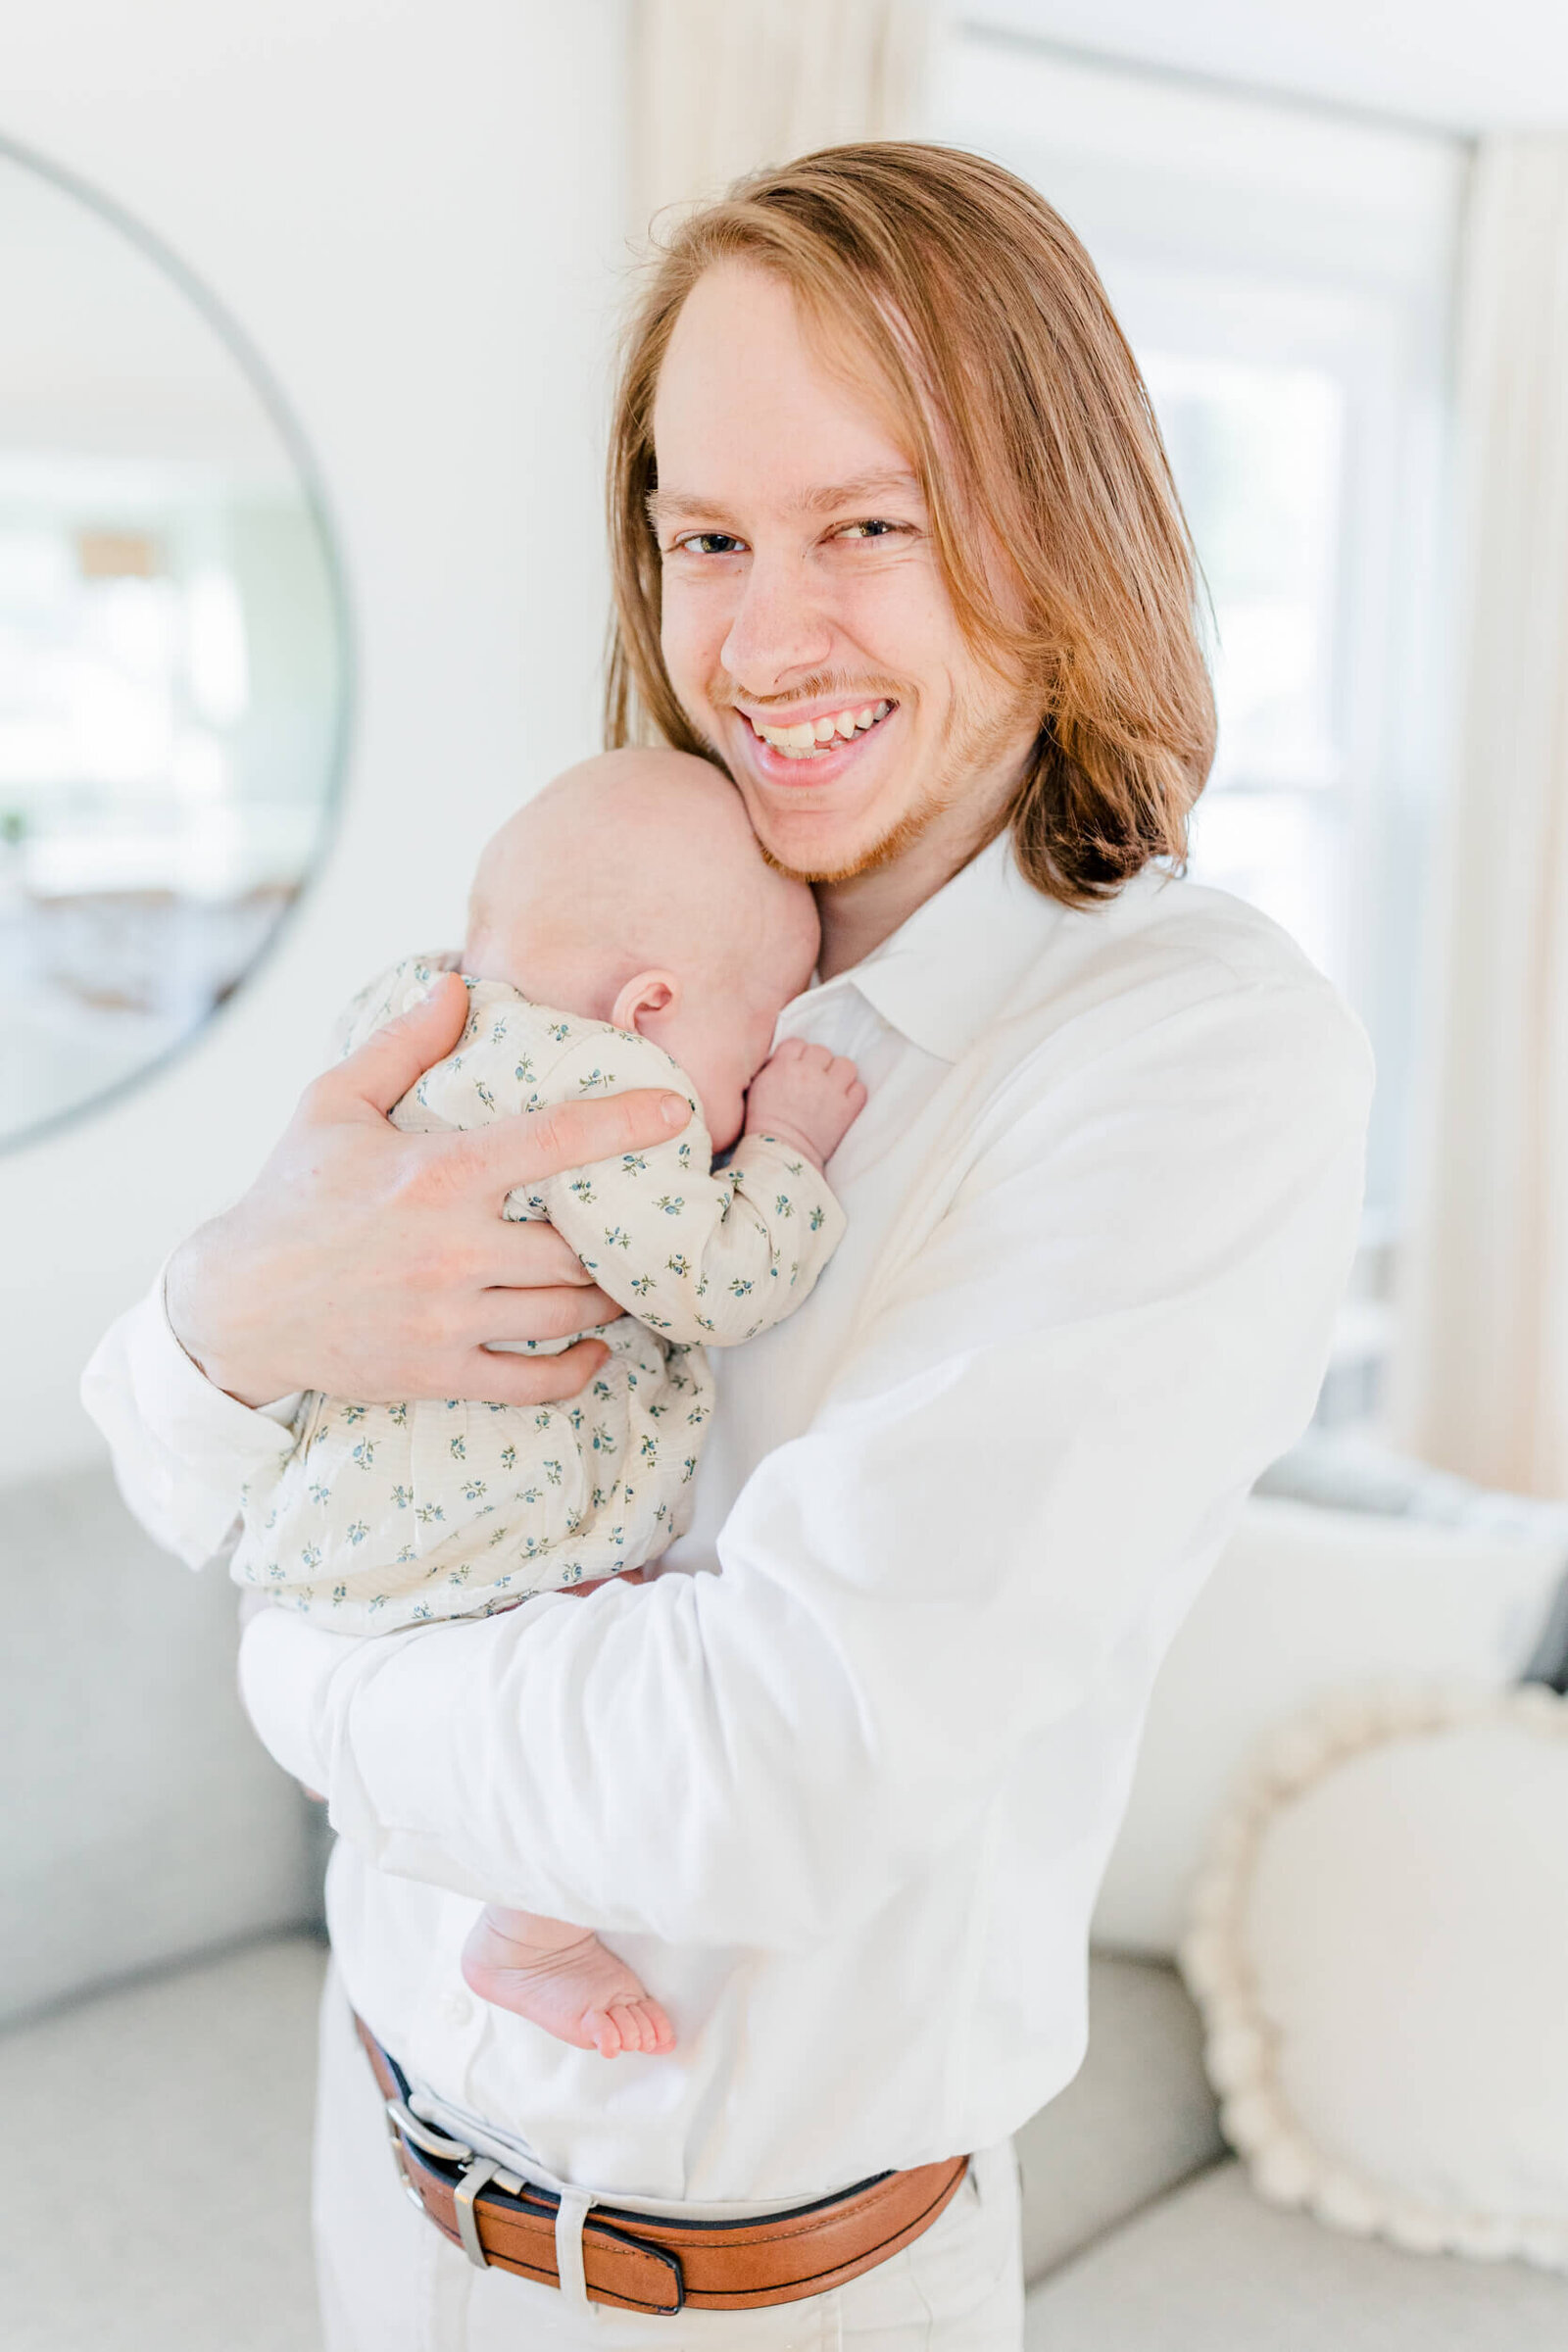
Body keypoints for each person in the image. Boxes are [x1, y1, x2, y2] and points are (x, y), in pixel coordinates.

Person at [82, 144, 1372, 2350]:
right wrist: (233, 1312)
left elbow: (764, 1776)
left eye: (867, 526)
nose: (763, 641)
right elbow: (171, 1425)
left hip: (769, 2302)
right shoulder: (612, 928)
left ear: (1053, 525)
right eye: (706, 540)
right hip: (381, 2190)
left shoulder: (1185, 1053)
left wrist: (299, 1667)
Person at [229, 746, 864, 2062]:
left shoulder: (415, 1025)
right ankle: (528, 1932)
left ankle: (358, 1758)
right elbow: (713, 1279)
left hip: (341, 1524)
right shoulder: (607, 1096)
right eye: (750, 1058)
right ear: (652, 1009)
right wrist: (790, 1149)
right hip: (481, 1543)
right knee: (575, 1692)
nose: (738, 1103)